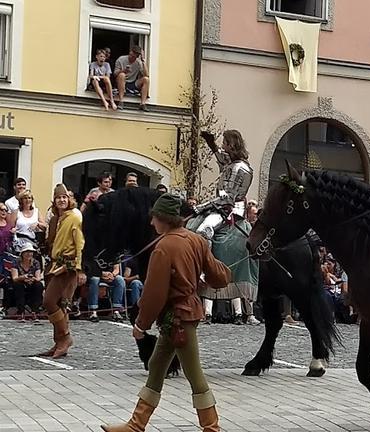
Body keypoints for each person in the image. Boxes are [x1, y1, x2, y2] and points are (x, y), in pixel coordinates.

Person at [101, 194, 230, 432]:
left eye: (155, 218)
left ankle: (212, 428)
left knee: (194, 375)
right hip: (182, 316)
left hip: (179, 318)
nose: (151, 223)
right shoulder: (197, 241)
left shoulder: (163, 247)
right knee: (157, 365)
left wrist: (141, 325)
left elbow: (154, 293)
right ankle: (136, 424)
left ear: (164, 219)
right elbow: (219, 277)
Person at [38, 184, 84, 359]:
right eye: (58, 198)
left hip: (68, 266)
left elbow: (80, 243)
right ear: (55, 201)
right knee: (57, 303)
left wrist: (78, 268)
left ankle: (65, 338)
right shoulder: (57, 218)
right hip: (54, 264)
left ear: (69, 199)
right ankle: (59, 341)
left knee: (51, 301)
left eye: (64, 197)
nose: (62, 200)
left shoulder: (75, 217)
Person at [193, 130, 253, 244]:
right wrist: (212, 144)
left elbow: (227, 198)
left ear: (231, 145)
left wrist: (200, 207)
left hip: (230, 210)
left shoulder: (238, 168)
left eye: (224, 143)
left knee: (203, 231)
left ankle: (206, 262)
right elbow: (221, 157)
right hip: (221, 207)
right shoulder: (232, 163)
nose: (222, 146)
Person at [10, 243, 43, 321]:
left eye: (30, 252)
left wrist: (32, 279)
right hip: (20, 281)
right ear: (22, 253)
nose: (29, 254)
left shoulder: (36, 263)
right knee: (18, 285)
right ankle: (21, 311)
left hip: (32, 282)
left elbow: (38, 278)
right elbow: (14, 278)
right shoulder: (16, 262)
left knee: (38, 285)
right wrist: (23, 277)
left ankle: (35, 311)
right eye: (27, 252)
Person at [114, 45, 150, 111]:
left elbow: (146, 75)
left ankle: (143, 104)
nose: (133, 58)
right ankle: (121, 101)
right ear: (130, 53)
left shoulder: (138, 62)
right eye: (132, 55)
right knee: (122, 75)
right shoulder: (121, 59)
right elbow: (115, 74)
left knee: (146, 80)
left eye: (135, 57)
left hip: (132, 83)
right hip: (121, 82)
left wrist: (143, 61)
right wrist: (124, 71)